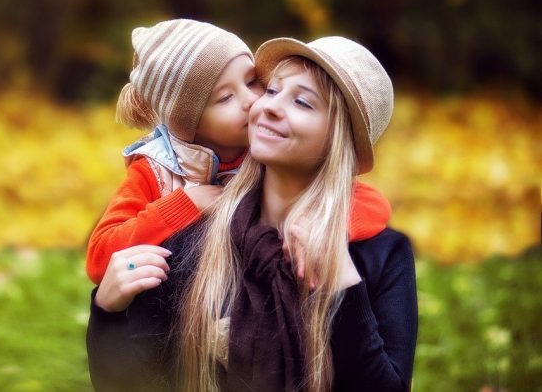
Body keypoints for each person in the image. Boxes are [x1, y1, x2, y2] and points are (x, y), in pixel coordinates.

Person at [87, 36, 418, 392]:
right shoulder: (192, 236)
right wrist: (107, 314)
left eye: (303, 103)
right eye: (272, 90)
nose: (266, 106)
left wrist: (341, 279)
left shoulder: (379, 254)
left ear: (342, 139)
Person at [86, 20, 392, 285]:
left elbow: (370, 203)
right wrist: (184, 205)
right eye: (225, 98)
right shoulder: (154, 171)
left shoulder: (266, 151)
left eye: (252, 82)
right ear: (188, 123)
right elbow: (100, 256)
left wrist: (321, 226)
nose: (252, 101)